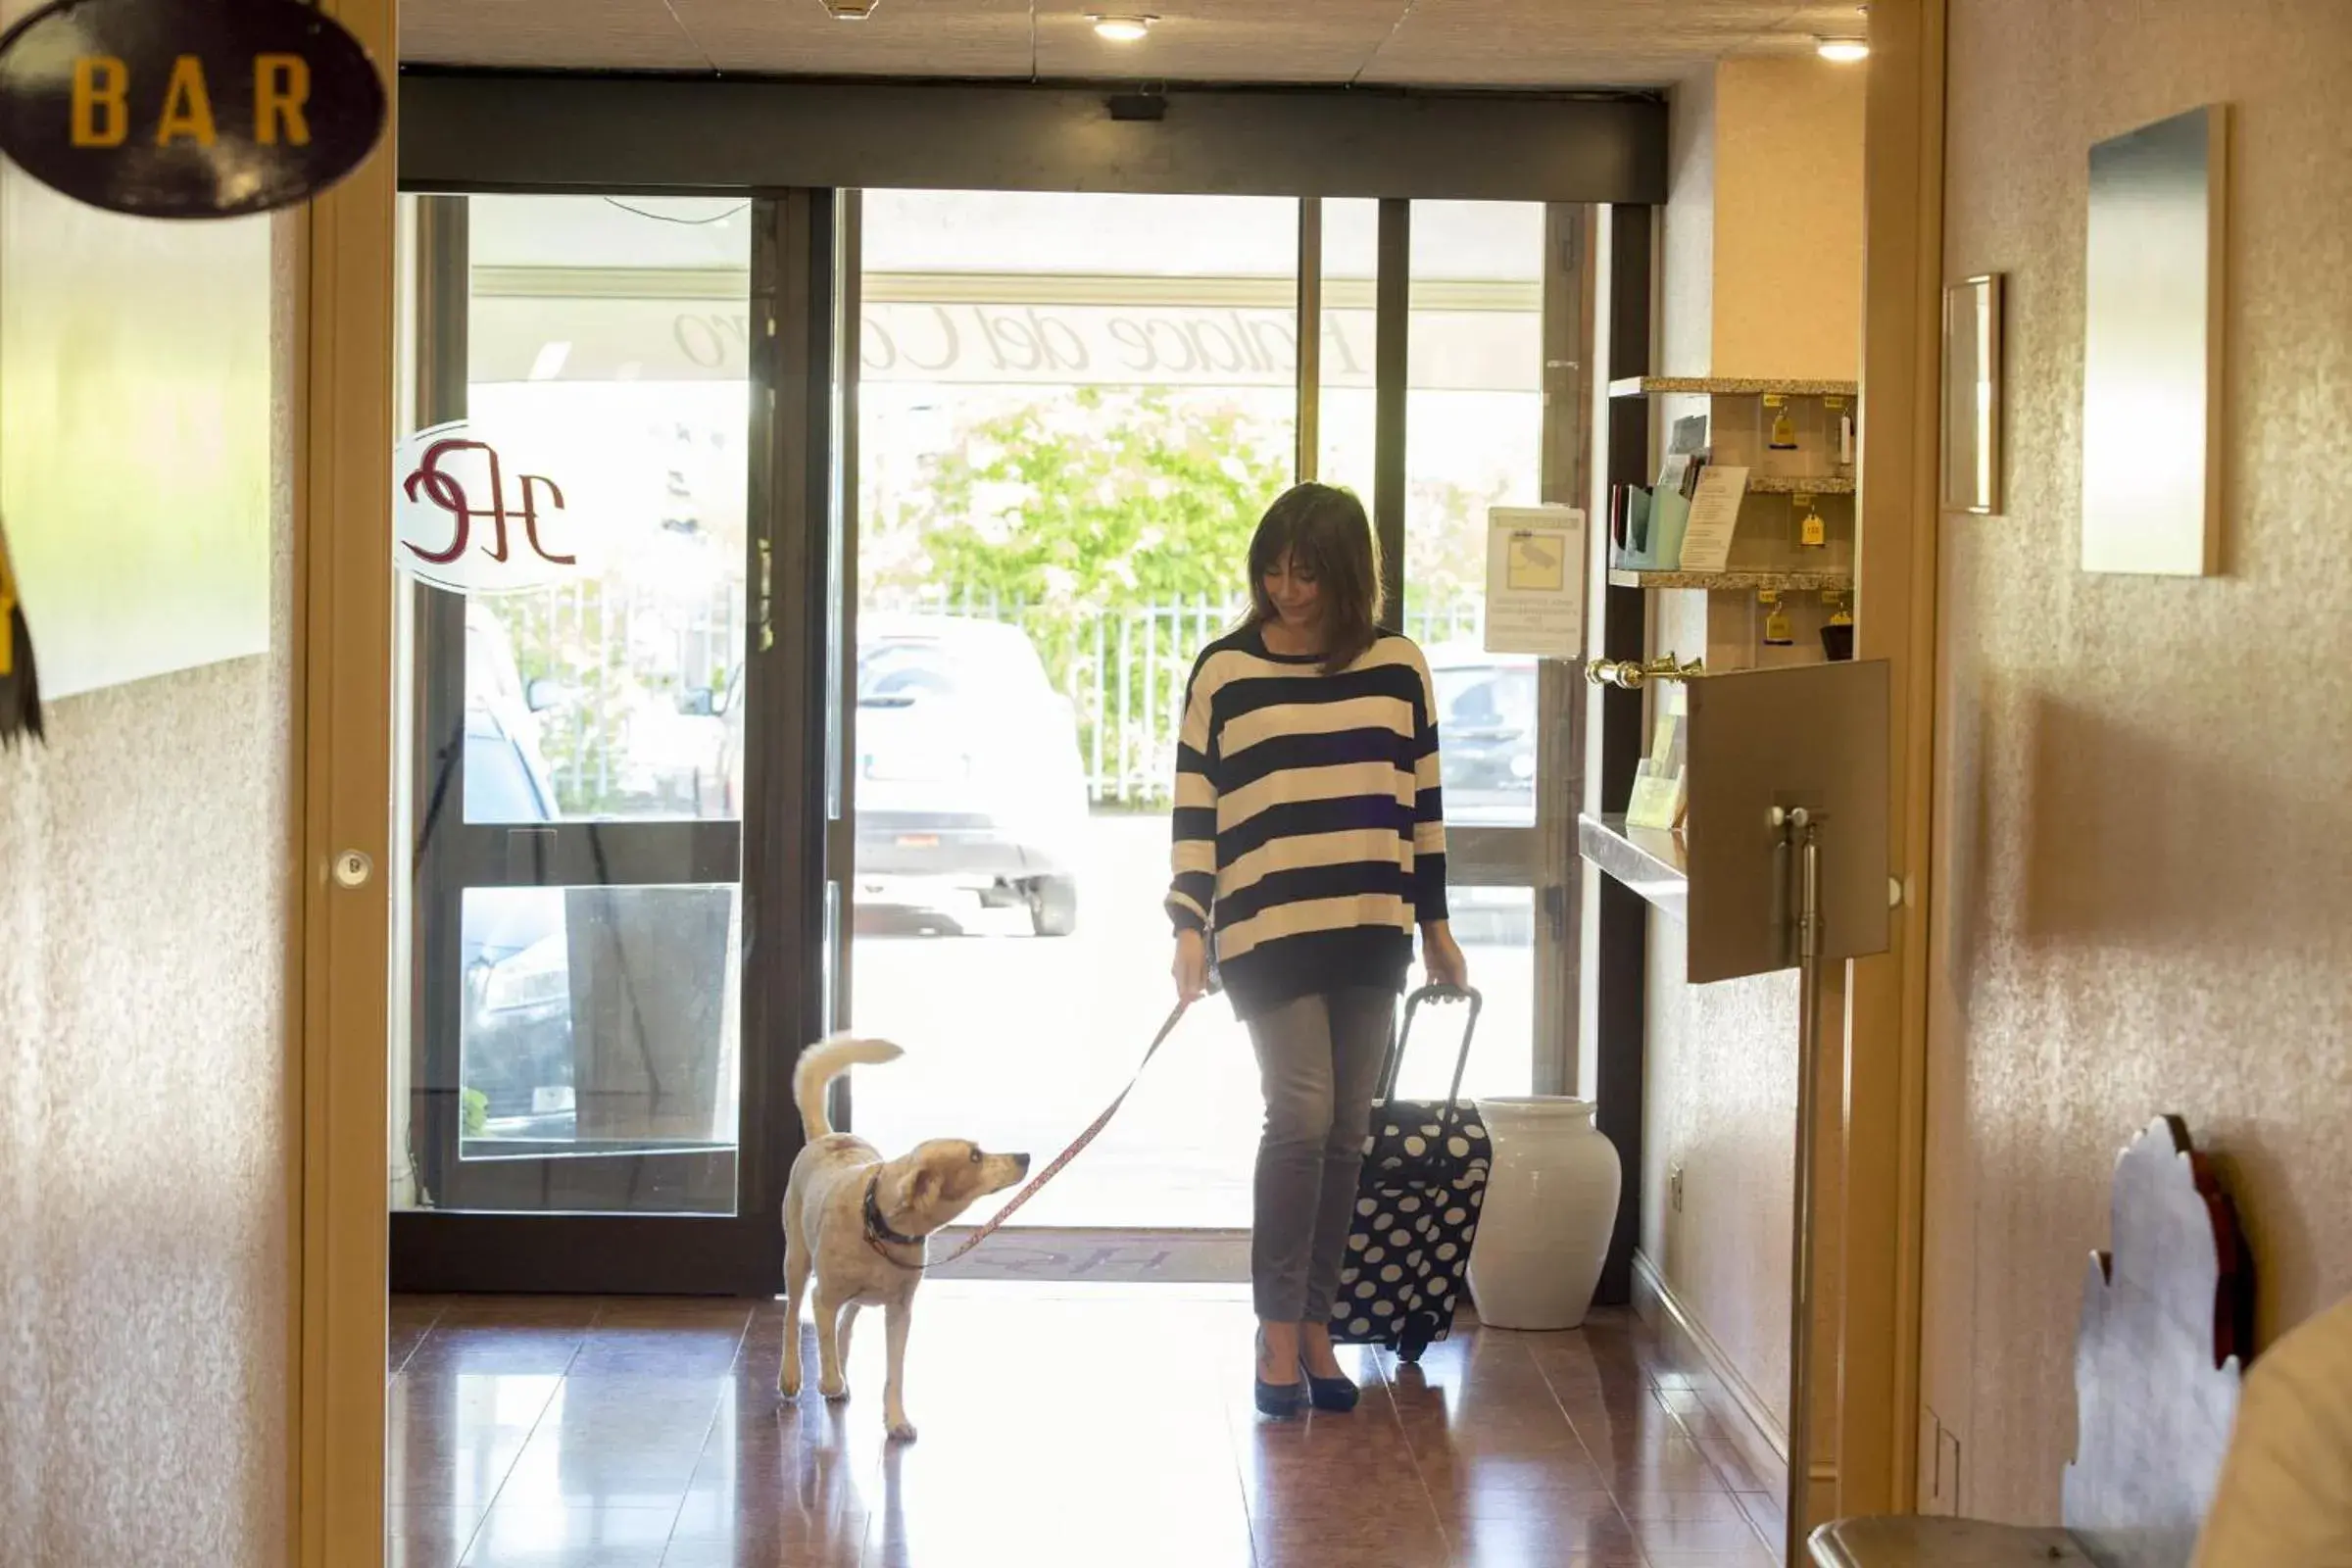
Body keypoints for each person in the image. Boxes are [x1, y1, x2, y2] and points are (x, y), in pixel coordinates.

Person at [1165, 481, 1468, 1419]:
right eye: (1273, 570)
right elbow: (1195, 807)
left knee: (1348, 1129)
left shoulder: (1397, 666)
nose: (1287, 590)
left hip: (1371, 920)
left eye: (1307, 572)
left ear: (1348, 575)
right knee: (1299, 1115)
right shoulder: (1225, 671)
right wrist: (1186, 922)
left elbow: (1422, 804)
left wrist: (1438, 925)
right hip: (1264, 924)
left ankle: (1318, 1325)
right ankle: (1274, 1325)